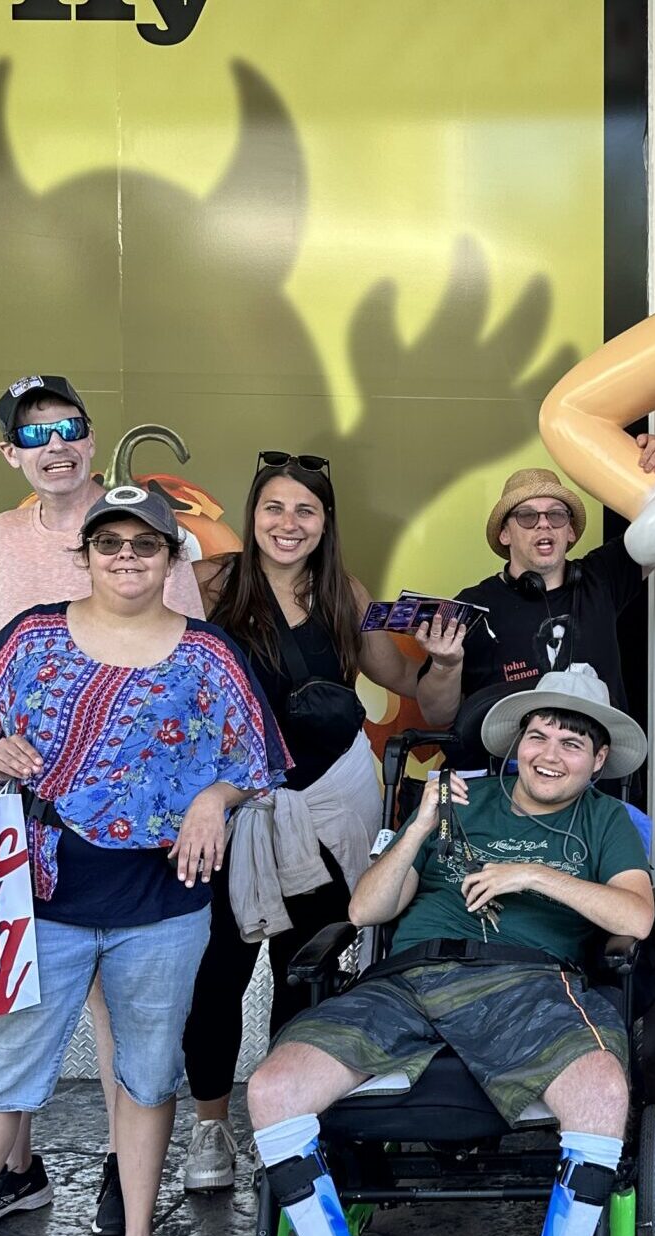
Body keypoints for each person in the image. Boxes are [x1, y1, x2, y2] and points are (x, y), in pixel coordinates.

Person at [0, 487, 286, 1236]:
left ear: (173, 559)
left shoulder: (209, 655)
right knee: (0, 1081)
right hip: (44, 898)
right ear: (87, 553)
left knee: (146, 1076)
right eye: (111, 543)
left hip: (165, 902)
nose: (127, 557)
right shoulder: (29, 637)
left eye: (146, 544)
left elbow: (257, 757)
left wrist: (216, 793)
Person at [244, 664, 653, 1236]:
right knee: (272, 1088)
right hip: (407, 976)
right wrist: (420, 821)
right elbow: (365, 909)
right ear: (514, 743)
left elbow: (636, 917)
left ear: (599, 759)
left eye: (572, 743)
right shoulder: (456, 800)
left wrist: (533, 876)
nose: (550, 753)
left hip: (526, 981)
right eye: (539, 734)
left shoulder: (606, 819)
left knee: (603, 1090)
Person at [0, 375, 204, 1236]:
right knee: (15, 993)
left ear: (92, 438)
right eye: (36, 434)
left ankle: (118, 1174)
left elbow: (197, 679)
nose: (56, 445)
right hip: (23, 804)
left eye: (70, 428)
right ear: (11, 453)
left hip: (134, 827)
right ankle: (13, 1170)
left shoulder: (145, 531)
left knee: (121, 1007)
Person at [178, 452, 427, 1194]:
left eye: (305, 511)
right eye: (274, 508)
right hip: (232, 808)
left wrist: (443, 659)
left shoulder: (345, 593)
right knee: (217, 973)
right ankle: (210, 1127)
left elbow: (406, 680)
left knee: (304, 971)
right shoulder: (207, 583)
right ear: (252, 515)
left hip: (324, 809)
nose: (289, 524)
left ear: (325, 523)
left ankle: (288, 1120)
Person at [414, 439, 655, 766]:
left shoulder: (603, 576)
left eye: (556, 515)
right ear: (504, 534)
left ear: (570, 532)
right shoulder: (473, 606)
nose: (543, 523)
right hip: (505, 788)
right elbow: (436, 715)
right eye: (527, 516)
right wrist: (446, 665)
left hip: (595, 786)